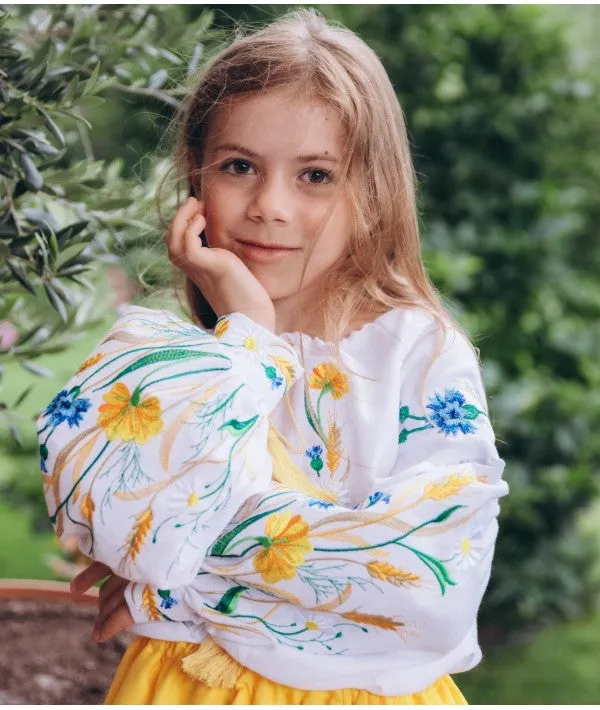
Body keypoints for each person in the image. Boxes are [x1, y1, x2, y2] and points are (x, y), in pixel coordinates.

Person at [38, 8, 509, 705]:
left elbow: (430, 578)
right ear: (196, 180)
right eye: (239, 167)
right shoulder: (173, 354)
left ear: (373, 194)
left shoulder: (417, 354)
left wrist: (178, 582)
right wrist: (248, 340)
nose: (269, 205)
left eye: (315, 175)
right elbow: (102, 510)